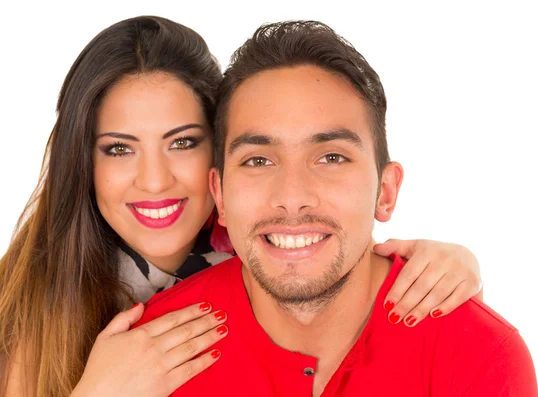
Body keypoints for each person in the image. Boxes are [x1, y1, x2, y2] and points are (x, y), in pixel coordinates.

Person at [0, 16, 482, 397]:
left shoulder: (275, 246)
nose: (153, 180)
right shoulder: (31, 300)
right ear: (82, 162)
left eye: (183, 142)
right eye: (119, 149)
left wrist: (454, 264)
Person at [133, 20, 538, 396]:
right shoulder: (151, 351)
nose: (292, 197)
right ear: (219, 194)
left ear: (386, 192)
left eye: (331, 158)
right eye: (258, 160)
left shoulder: (480, 354)